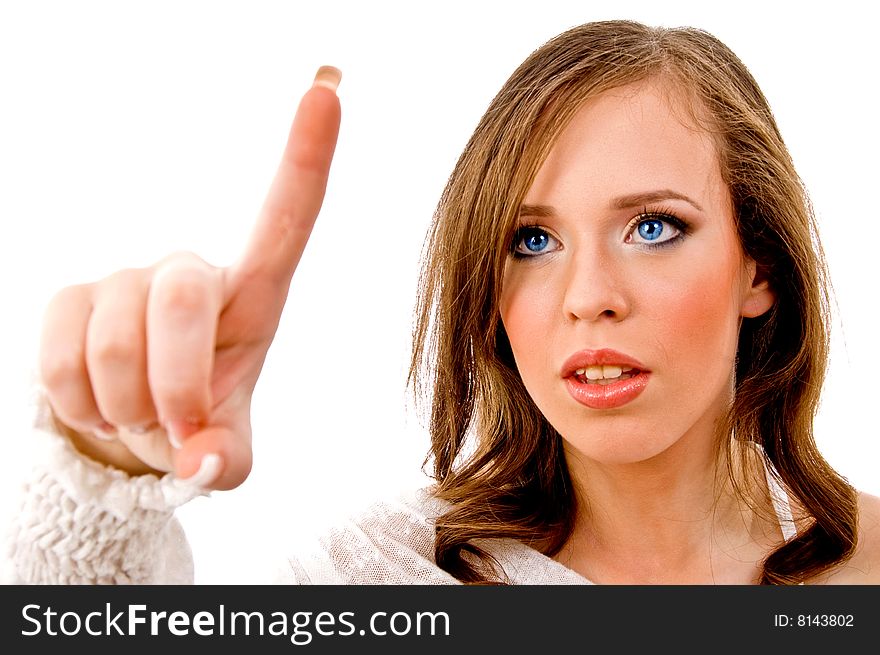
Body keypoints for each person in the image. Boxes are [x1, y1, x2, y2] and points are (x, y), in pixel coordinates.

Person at [4, 19, 879, 585]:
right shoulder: (382, 582)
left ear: (758, 267)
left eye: (653, 226)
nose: (589, 299)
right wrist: (100, 476)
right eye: (530, 241)